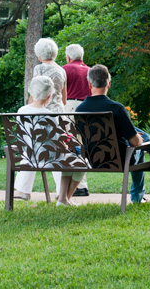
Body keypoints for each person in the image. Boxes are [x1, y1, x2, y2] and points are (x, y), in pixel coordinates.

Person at [76, 65, 150, 204]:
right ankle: (137, 197)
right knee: (140, 144)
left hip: (94, 160)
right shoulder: (117, 108)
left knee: (134, 132)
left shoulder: (80, 110)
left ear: (89, 83)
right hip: (120, 160)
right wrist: (137, 136)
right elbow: (135, 143)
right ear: (109, 83)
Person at [13, 76, 86, 206]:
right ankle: (64, 198)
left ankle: (62, 198)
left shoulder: (21, 111)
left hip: (28, 156)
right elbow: (56, 141)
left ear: (31, 93)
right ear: (49, 97)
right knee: (79, 162)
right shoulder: (50, 116)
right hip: (47, 158)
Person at [31, 38, 68, 195]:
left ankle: (23, 189)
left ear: (39, 55)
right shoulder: (62, 70)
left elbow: (34, 93)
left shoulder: (39, 69)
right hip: (59, 113)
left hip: (42, 114)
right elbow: (64, 98)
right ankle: (61, 190)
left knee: (36, 148)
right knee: (59, 151)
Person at [62, 43, 91, 196]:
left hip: (70, 107)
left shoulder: (65, 69)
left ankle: (77, 187)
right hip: (87, 109)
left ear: (68, 57)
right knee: (82, 146)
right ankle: (82, 184)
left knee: (72, 146)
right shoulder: (90, 70)